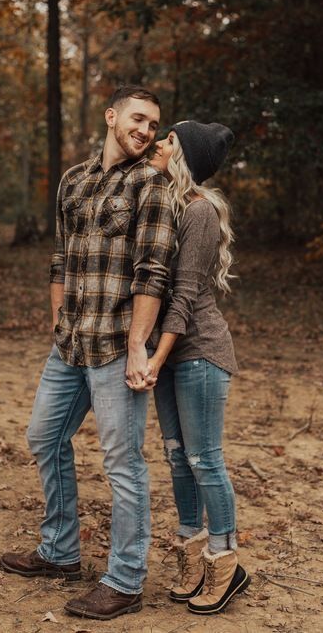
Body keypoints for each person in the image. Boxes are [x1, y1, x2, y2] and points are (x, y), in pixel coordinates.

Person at [0, 86, 175, 621]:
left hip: (116, 347)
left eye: (152, 124)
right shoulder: (73, 180)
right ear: (111, 116)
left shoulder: (152, 183)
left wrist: (138, 347)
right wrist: (58, 320)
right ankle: (60, 552)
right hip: (70, 344)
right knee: (43, 436)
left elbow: (154, 273)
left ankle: (124, 580)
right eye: (137, 119)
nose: (144, 130)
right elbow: (60, 257)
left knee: (123, 463)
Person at [129, 120, 250, 615]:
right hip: (171, 353)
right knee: (178, 458)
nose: (159, 142)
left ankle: (226, 561)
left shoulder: (199, 211)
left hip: (198, 352)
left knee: (205, 460)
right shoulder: (169, 204)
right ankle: (193, 556)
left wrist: (156, 356)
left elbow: (183, 298)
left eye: (170, 138)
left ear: (186, 156)